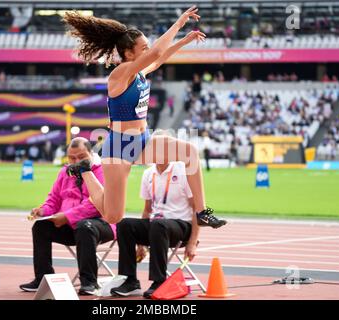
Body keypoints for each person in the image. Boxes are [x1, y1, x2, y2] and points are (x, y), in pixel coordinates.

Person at [62, 6, 225, 229]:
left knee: (190, 152)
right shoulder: (119, 74)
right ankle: (84, 170)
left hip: (142, 140)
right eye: (144, 48)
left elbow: (158, 60)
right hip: (119, 146)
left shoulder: (139, 73)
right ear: (129, 54)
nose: (148, 50)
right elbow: (156, 54)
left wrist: (183, 41)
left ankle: (201, 212)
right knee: (113, 217)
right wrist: (179, 24)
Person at [111, 156, 226, 298]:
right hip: (157, 226)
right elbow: (147, 210)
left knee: (158, 225)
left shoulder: (183, 171)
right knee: (124, 224)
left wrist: (192, 242)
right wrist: (141, 244)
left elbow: (196, 208)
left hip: (182, 226)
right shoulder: (148, 173)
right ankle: (130, 280)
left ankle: (159, 281)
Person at [19, 137, 115, 295]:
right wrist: (43, 211)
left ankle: (89, 282)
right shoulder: (64, 171)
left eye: (81, 157)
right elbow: (54, 199)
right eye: (72, 157)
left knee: (85, 226)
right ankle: (43, 278)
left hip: (102, 224)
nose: (76, 161)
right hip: (72, 226)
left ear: (91, 153)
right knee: (41, 226)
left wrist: (66, 216)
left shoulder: (103, 170)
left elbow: (95, 205)